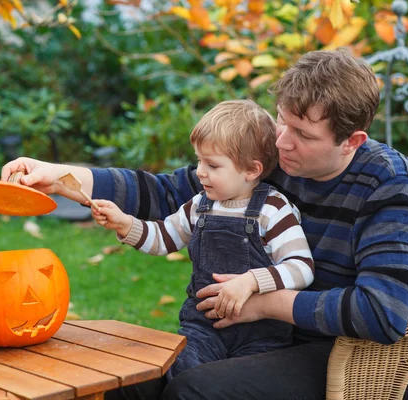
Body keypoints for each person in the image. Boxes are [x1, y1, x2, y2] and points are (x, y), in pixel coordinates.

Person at [1, 48, 408, 400]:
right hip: (252, 334)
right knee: (127, 381)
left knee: (193, 391)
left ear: (351, 142)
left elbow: (383, 313)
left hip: (348, 356)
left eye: (302, 133)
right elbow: (169, 193)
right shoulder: (275, 160)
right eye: (281, 118)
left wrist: (263, 301)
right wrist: (56, 174)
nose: (282, 140)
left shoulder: (390, 185)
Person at [88, 100, 314, 381]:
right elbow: (164, 238)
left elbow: (301, 267)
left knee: (231, 387)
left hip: (262, 335)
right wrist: (125, 224)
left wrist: (251, 281)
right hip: (204, 328)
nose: (199, 172)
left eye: (212, 165)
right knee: (177, 375)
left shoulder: (273, 210)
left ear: (251, 170)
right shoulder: (199, 206)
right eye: (199, 160)